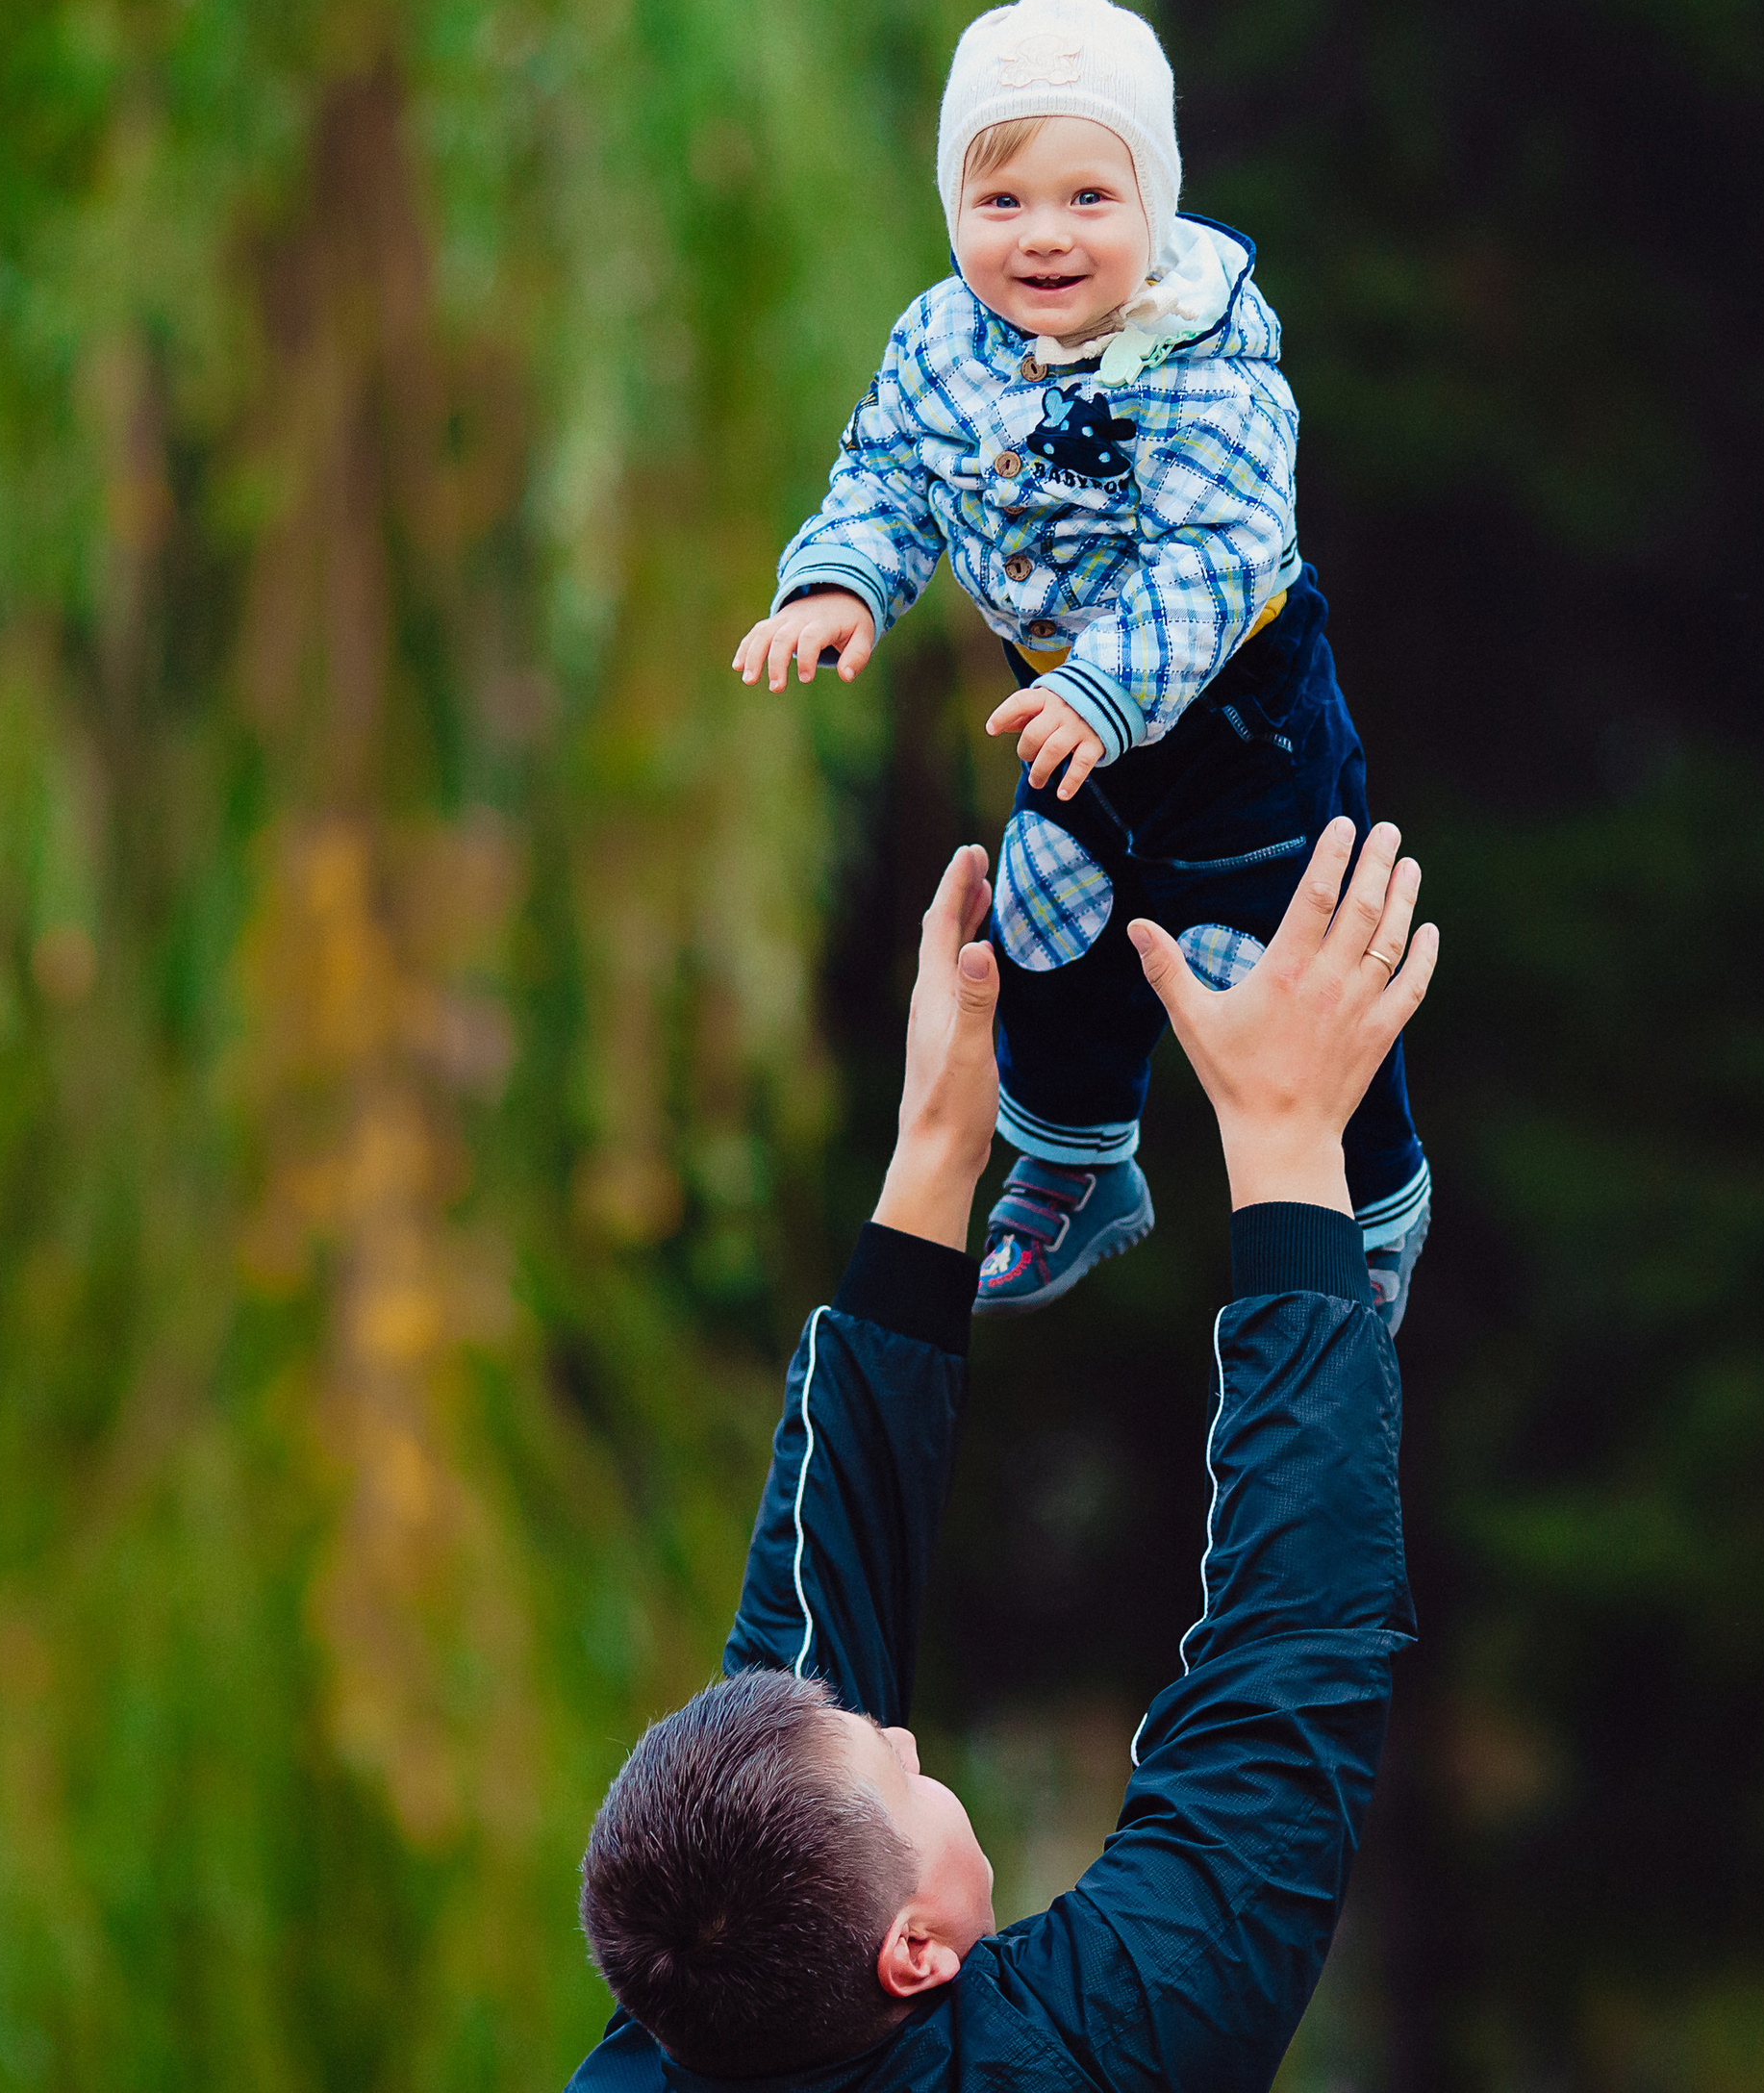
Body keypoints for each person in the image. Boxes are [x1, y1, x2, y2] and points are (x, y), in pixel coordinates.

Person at [566, 815, 1435, 2090]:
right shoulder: (1075, 2066)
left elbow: (809, 1623)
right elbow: (1279, 1697)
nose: (905, 1743)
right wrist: (1289, 1135)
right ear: (913, 1950)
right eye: (906, 1779)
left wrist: (934, 1155)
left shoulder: (685, 2018)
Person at [727, 0, 1431, 1328]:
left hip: (1234, 717)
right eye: (1002, 203)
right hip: (1066, 707)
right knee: (1046, 923)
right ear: (957, 214)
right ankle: (1074, 1167)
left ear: (1152, 206)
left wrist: (1113, 693)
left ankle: (1371, 1200)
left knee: (1271, 963)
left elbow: (1214, 560)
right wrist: (841, 588)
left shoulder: (1210, 370)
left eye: (1087, 199)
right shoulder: (946, 347)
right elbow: (888, 475)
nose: (1042, 238)